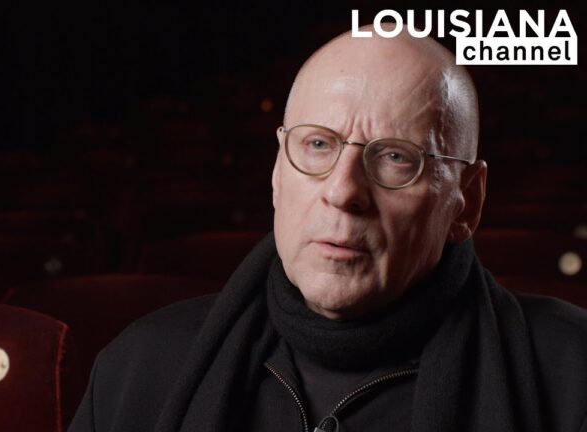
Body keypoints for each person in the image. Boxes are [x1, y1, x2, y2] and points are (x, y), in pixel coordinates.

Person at [69, 26, 587, 432]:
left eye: (395, 157)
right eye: (318, 145)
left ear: (466, 202)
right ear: (277, 171)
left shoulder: (573, 377)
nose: (342, 191)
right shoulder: (138, 367)